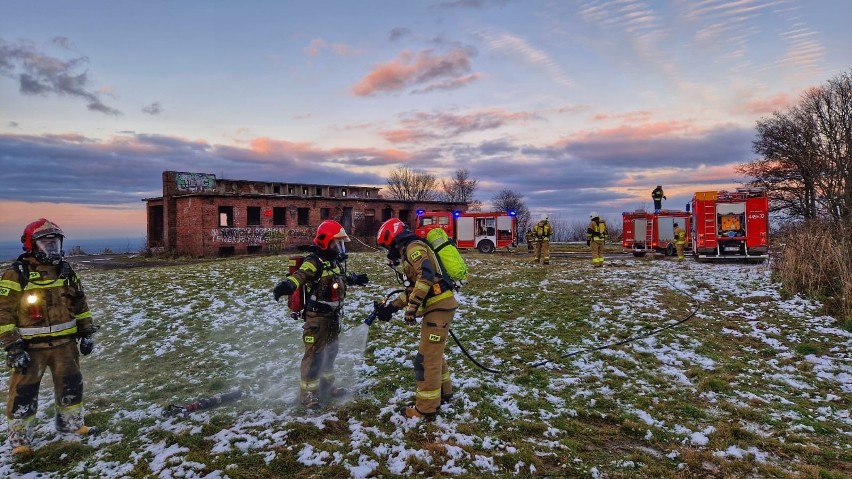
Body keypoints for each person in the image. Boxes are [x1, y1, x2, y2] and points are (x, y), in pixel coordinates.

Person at [0, 219, 99, 455]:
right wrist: (13, 347)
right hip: (31, 348)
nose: (51, 248)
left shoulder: (66, 271)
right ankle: (20, 441)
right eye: (46, 243)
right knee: (24, 393)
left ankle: (72, 426)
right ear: (31, 245)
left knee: (71, 386)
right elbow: (3, 313)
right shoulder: (16, 274)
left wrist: (86, 332)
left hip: (66, 345)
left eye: (55, 243)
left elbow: (80, 303)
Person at [272, 220, 369, 409]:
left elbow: (341, 278)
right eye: (336, 243)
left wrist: (355, 279)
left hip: (333, 317)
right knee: (314, 356)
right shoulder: (314, 261)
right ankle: (308, 394)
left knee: (330, 353)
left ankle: (327, 387)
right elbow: (302, 275)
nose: (339, 247)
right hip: (317, 317)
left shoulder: (333, 262)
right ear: (325, 241)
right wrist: (288, 285)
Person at [374, 218, 457, 420]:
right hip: (438, 306)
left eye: (388, 246)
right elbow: (413, 289)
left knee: (425, 359)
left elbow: (426, 277)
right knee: (434, 353)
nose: (389, 251)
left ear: (394, 240)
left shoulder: (414, 249)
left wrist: (411, 307)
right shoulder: (409, 251)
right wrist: (391, 308)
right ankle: (444, 394)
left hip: (439, 307)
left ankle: (426, 409)